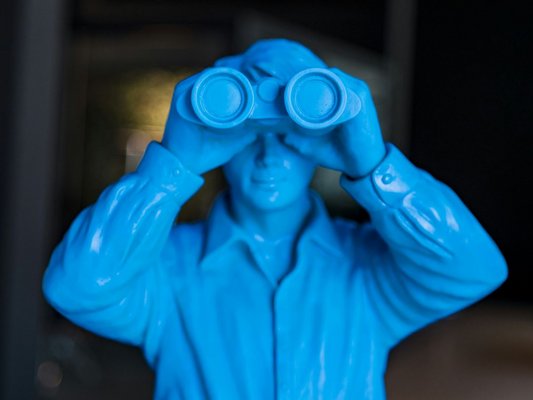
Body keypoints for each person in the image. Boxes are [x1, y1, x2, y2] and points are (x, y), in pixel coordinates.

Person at [42, 39, 507, 399]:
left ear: (321, 138)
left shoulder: (365, 273)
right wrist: (171, 166)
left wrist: (374, 164)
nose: (268, 155)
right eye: (250, 135)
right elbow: (76, 287)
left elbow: (474, 270)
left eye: (290, 136)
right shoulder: (168, 271)